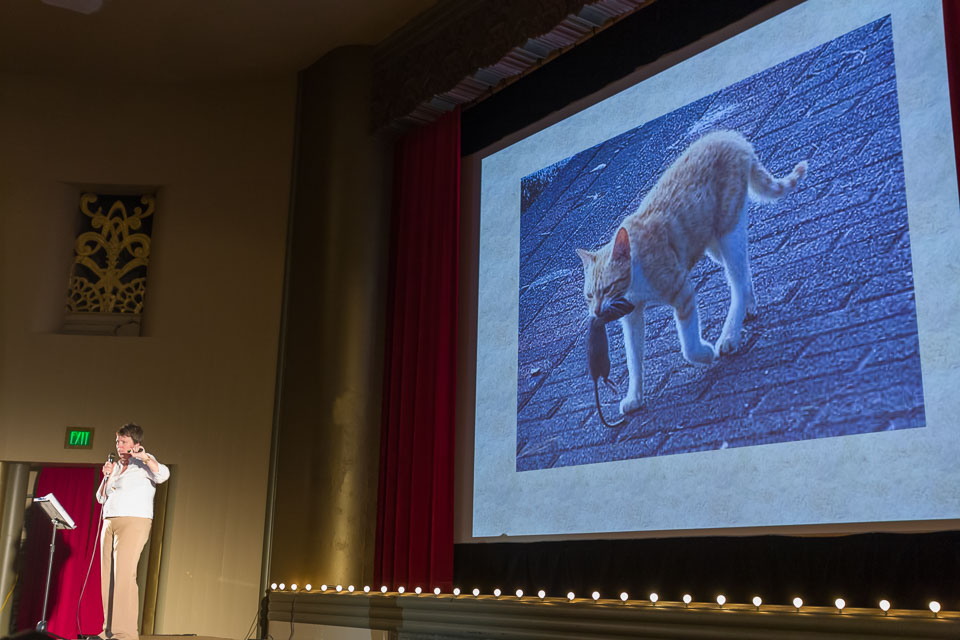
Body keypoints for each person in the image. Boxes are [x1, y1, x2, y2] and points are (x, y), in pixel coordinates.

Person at [96, 423, 170, 640]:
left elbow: (163, 475)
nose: (119, 446)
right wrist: (106, 475)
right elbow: (101, 497)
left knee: (124, 576)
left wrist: (144, 457)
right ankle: (109, 629)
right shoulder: (116, 467)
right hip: (110, 520)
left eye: (124, 442)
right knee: (108, 578)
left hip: (133, 521)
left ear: (136, 444)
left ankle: (125, 633)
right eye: (117, 441)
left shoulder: (144, 462)